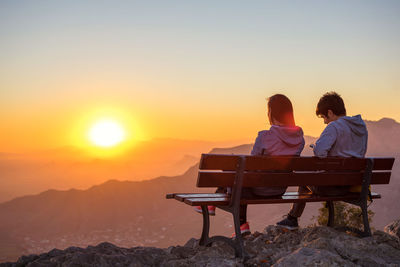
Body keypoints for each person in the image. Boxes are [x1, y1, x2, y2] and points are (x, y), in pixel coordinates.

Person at [195, 94, 305, 236]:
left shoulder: (265, 136)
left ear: (271, 113)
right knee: (241, 174)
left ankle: (239, 221)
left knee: (238, 171)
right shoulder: (299, 138)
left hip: (258, 189)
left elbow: (251, 166)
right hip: (279, 189)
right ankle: (220, 207)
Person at [276, 91, 368, 230]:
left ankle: (292, 219)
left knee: (303, 178)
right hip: (353, 185)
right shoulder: (361, 127)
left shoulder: (334, 126)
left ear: (330, 113)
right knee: (309, 178)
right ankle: (292, 219)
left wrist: (316, 146)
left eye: (324, 117)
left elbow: (320, 152)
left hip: (333, 187)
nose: (325, 122)